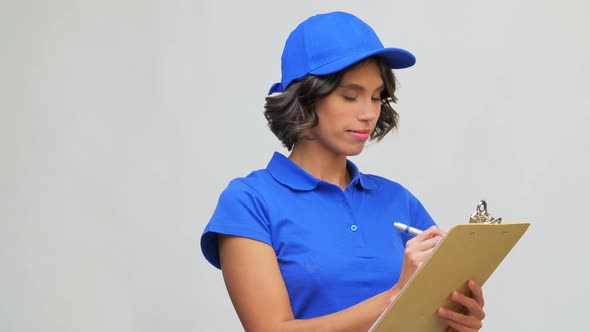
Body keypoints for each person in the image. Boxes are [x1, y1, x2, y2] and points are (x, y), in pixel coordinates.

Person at [201, 11, 485, 332]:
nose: (368, 113)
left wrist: (457, 321)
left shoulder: (398, 199)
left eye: (377, 97)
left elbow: (424, 320)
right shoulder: (250, 202)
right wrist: (394, 298)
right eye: (351, 96)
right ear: (305, 98)